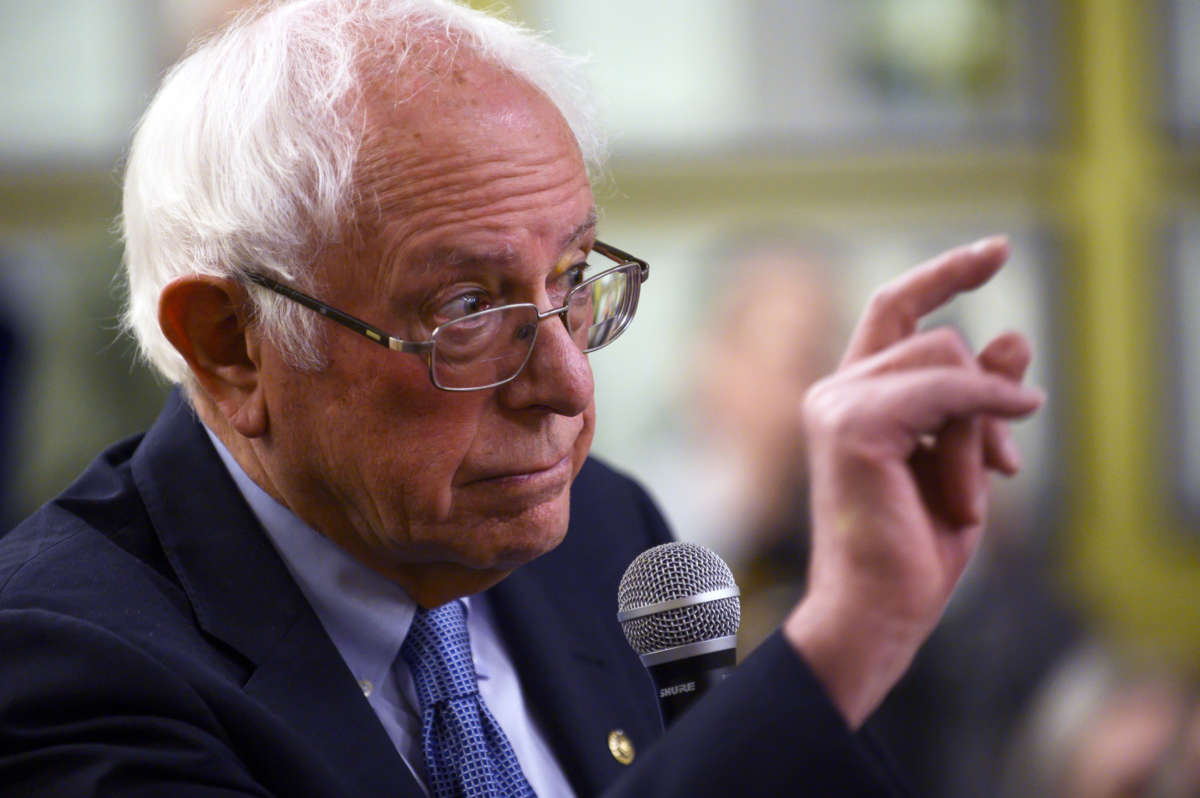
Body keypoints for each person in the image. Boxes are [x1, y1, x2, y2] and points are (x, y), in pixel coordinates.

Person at [0, 1, 1043, 795]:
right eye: (465, 307)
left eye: (573, 280)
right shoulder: (58, 666)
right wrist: (838, 643)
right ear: (230, 346)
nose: (568, 385)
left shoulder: (605, 531)